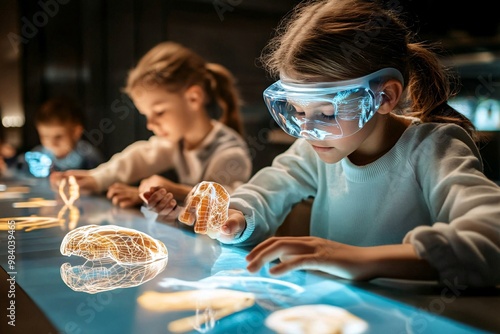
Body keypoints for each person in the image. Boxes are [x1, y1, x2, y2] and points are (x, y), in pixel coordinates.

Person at [144, 0, 500, 287]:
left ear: (384, 97)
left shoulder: (433, 148)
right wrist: (234, 219)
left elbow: (491, 235)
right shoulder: (313, 150)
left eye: (327, 114)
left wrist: (360, 261)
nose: (306, 131)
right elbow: (266, 192)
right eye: (297, 112)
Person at [51, 41, 252, 208]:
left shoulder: (229, 153)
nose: (150, 123)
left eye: (159, 112)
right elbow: (140, 155)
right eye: (146, 115)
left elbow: (227, 206)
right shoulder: (177, 142)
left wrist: (177, 193)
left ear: (193, 97)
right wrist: (95, 179)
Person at [27, 97, 104, 174]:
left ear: (76, 132)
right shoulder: (37, 155)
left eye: (58, 137)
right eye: (45, 136)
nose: (52, 143)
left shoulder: (88, 155)